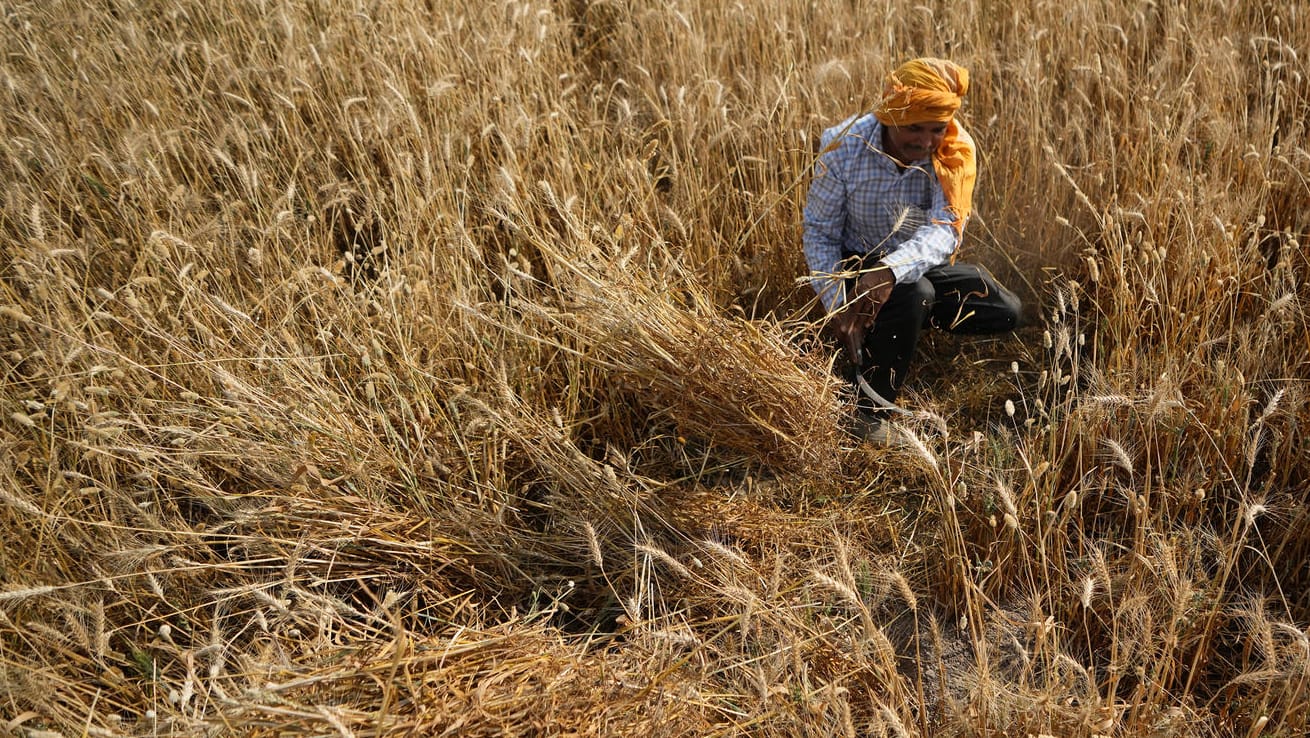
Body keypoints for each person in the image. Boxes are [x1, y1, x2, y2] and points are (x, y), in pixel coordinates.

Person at [803, 57, 1022, 440]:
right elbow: (820, 233)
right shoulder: (842, 146)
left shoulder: (953, 151)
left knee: (1004, 308)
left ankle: (896, 325)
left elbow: (944, 233)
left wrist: (889, 272)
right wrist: (838, 304)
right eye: (914, 128)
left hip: (913, 263)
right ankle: (869, 413)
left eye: (936, 129)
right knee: (916, 294)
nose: (925, 141)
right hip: (856, 266)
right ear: (889, 117)